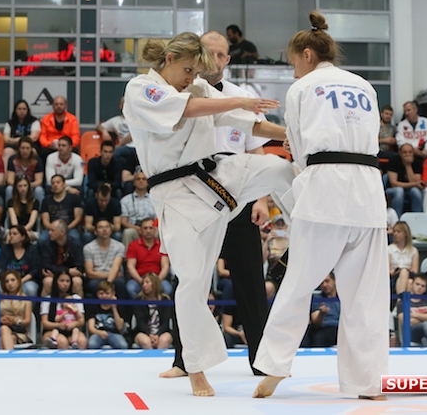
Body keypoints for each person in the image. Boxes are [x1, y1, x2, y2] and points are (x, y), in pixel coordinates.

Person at [123, 31, 295, 397]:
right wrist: (239, 100)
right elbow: (186, 109)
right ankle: (196, 368)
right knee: (192, 282)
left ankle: (307, 233)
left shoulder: (199, 88)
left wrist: (292, 135)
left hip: (215, 176)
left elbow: (248, 123)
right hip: (176, 196)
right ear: (169, 59)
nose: (192, 78)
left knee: (281, 169)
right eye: (188, 70)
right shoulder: (141, 89)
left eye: (195, 72)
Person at [253, 12, 389, 400]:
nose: (294, 70)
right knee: (366, 296)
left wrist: (300, 163)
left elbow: (297, 148)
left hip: (324, 190)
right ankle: (368, 382)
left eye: (293, 61)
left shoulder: (302, 88)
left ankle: (275, 367)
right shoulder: (364, 85)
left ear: (307, 54)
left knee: (298, 283)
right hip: (367, 191)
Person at [126, 218, 172, 299]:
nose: (148, 231)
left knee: (167, 289)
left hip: (157, 277)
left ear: (155, 230)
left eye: (151, 228)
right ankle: (141, 307)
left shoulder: (162, 245)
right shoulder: (133, 245)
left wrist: (156, 282)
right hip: (139, 278)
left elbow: (165, 266)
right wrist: (142, 282)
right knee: (131, 288)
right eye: (145, 228)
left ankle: (159, 307)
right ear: (141, 230)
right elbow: (130, 266)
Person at [40, 270, 87, 349]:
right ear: (56, 282)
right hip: (52, 331)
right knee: (62, 342)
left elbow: (81, 321)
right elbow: (45, 323)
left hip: (72, 330)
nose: (65, 284)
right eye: (62, 281)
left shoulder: (76, 298)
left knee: (82, 341)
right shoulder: (47, 299)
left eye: (68, 281)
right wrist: (58, 325)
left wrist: (73, 324)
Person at [83, 218, 127, 299]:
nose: (104, 229)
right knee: (93, 285)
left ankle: (119, 307)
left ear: (111, 230)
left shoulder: (119, 246)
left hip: (113, 277)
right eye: (100, 227)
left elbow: (115, 267)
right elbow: (89, 273)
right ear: (95, 231)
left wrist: (107, 284)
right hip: (96, 278)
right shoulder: (88, 248)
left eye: (107, 227)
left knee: (120, 283)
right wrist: (107, 278)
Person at [40, 219, 84, 297]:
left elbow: (79, 268)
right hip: (54, 275)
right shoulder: (46, 244)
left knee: (77, 281)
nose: (49, 233)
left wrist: (63, 273)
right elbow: (46, 267)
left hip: (68, 276)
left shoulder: (76, 245)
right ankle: (45, 305)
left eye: (52, 230)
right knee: (48, 281)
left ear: (62, 232)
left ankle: (78, 305)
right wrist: (68, 271)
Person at [396, 274, 427, 346]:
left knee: (426, 328)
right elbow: (407, 322)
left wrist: (413, 315)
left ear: (425, 289)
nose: (420, 287)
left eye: (423, 286)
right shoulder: (403, 302)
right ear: (412, 285)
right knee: (426, 324)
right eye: (417, 284)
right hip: (412, 334)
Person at [133, 272, 174, 349]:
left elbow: (165, 322)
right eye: (143, 283)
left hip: (162, 331)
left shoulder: (165, 300)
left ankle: (160, 357)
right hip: (143, 332)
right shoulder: (138, 300)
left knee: (164, 340)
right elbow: (140, 322)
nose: (144, 285)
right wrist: (150, 334)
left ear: (155, 284)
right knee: (146, 342)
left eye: (147, 282)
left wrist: (158, 335)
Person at [39, 174, 84, 245]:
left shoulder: (75, 198)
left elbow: (78, 218)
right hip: (51, 228)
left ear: (64, 184)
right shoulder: (46, 200)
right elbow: (45, 220)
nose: (55, 185)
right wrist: (54, 230)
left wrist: (65, 229)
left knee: (75, 238)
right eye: (53, 183)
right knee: (42, 239)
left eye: (58, 182)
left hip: (70, 228)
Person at [0, 225, 40, 296]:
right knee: (0, 288)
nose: (11, 236)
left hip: (27, 280)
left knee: (31, 289)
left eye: (15, 234)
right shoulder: (5, 249)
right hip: (8, 279)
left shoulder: (32, 249)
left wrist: (20, 281)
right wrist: (11, 281)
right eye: (10, 234)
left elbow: (35, 270)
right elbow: (1, 269)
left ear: (23, 237)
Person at [385, 143, 424, 218]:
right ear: (400, 153)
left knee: (416, 191)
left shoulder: (417, 162)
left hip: (409, 190)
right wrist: (414, 184)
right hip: (392, 190)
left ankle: (417, 218)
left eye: (410, 152)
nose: (407, 155)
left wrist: (408, 165)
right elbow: (394, 184)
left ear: (413, 153)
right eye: (405, 152)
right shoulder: (394, 160)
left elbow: (416, 182)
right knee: (399, 191)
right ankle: (397, 219)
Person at [86, 280, 128, 349]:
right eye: (101, 293)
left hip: (114, 333)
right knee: (92, 344)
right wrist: (99, 332)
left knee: (123, 345)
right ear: (97, 294)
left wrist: (114, 308)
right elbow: (91, 328)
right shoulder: (93, 307)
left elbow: (120, 327)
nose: (104, 296)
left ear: (113, 293)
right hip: (98, 333)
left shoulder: (119, 307)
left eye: (107, 293)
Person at [120, 169, 156, 247]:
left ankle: (161, 254)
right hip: (134, 228)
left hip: (150, 228)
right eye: (138, 179)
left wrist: (149, 228)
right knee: (128, 232)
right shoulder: (125, 200)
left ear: (147, 182)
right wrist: (136, 228)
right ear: (134, 182)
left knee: (159, 232)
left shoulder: (154, 199)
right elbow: (123, 221)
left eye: (144, 179)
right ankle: (127, 255)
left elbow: (158, 219)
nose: (141, 181)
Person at [5, 136, 45, 205]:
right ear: (19, 149)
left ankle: (39, 211)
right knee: (9, 189)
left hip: (31, 186)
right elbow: (9, 180)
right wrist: (20, 186)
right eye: (22, 148)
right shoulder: (12, 159)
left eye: (27, 148)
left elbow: (39, 181)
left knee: (39, 190)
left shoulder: (37, 160)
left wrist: (26, 186)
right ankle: (8, 210)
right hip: (17, 186)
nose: (25, 151)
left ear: (31, 149)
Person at [38, 96, 80, 161]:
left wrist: (66, 145)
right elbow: (42, 137)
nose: (59, 106)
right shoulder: (46, 119)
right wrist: (49, 144)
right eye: (56, 104)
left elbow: (76, 138)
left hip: (67, 147)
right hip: (50, 147)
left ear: (66, 106)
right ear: (53, 106)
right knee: (43, 152)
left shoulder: (73, 119)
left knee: (74, 152)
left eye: (61, 104)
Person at [0, 269, 33, 349]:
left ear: (18, 281)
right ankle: (10, 356)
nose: (10, 283)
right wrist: (1, 320)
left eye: (13, 280)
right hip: (2, 328)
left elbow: (28, 321)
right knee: (4, 330)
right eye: (7, 281)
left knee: (2, 339)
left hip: (19, 330)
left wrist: (16, 321)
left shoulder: (26, 299)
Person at [96, 97, 135, 165]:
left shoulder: (137, 120)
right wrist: (104, 131)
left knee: (115, 151)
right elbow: (98, 126)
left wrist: (118, 145)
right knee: (111, 154)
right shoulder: (116, 120)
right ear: (121, 106)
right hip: (124, 148)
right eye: (124, 104)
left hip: (136, 148)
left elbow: (131, 136)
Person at [304, 272, 340, 347]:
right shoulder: (317, 298)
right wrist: (321, 313)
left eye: (327, 281)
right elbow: (316, 323)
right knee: (318, 338)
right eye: (322, 282)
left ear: (334, 280)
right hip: (325, 329)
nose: (324, 285)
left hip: (342, 329)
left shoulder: (344, 297)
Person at [2, 100, 40, 165]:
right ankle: (6, 172)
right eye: (19, 109)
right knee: (6, 151)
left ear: (27, 110)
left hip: (30, 147)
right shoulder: (10, 123)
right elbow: (6, 139)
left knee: (33, 151)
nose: (22, 111)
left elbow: (34, 138)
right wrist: (20, 140)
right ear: (15, 110)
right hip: (15, 147)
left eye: (24, 109)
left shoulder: (34, 121)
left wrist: (17, 140)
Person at [388, 221, 419, 295]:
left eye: (398, 232)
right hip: (394, 276)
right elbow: (387, 270)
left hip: (409, 275)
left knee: (408, 279)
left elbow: (415, 271)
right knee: (408, 280)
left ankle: (399, 300)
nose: (395, 234)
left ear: (405, 233)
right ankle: (402, 300)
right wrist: (396, 271)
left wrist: (406, 270)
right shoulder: (389, 249)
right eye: (394, 231)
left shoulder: (414, 250)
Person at [7, 176, 39, 240]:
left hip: (30, 231)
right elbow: (14, 221)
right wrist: (17, 232)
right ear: (16, 187)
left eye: (25, 185)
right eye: (20, 186)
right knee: (10, 237)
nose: (23, 188)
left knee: (25, 236)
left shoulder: (35, 202)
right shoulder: (11, 202)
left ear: (28, 186)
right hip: (14, 230)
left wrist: (21, 232)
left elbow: (31, 222)